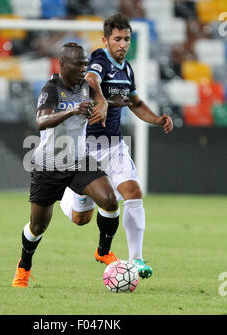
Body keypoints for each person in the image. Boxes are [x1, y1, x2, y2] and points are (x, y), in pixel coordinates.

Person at [60, 13, 174, 279]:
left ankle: (137, 260)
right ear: (106, 40)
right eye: (118, 39)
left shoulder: (128, 70)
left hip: (113, 145)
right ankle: (66, 191)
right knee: (81, 218)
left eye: (127, 39)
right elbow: (90, 79)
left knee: (133, 192)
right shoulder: (100, 59)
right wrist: (100, 100)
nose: (123, 44)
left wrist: (157, 120)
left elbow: (133, 102)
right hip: (85, 148)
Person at [12, 42, 120, 288]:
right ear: (62, 64)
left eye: (85, 62)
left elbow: (102, 100)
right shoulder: (51, 88)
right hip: (49, 164)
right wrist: (72, 112)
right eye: (78, 63)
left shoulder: (87, 85)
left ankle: (103, 251)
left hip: (79, 159)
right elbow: (41, 121)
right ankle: (24, 267)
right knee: (38, 226)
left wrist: (102, 108)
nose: (83, 67)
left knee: (110, 200)